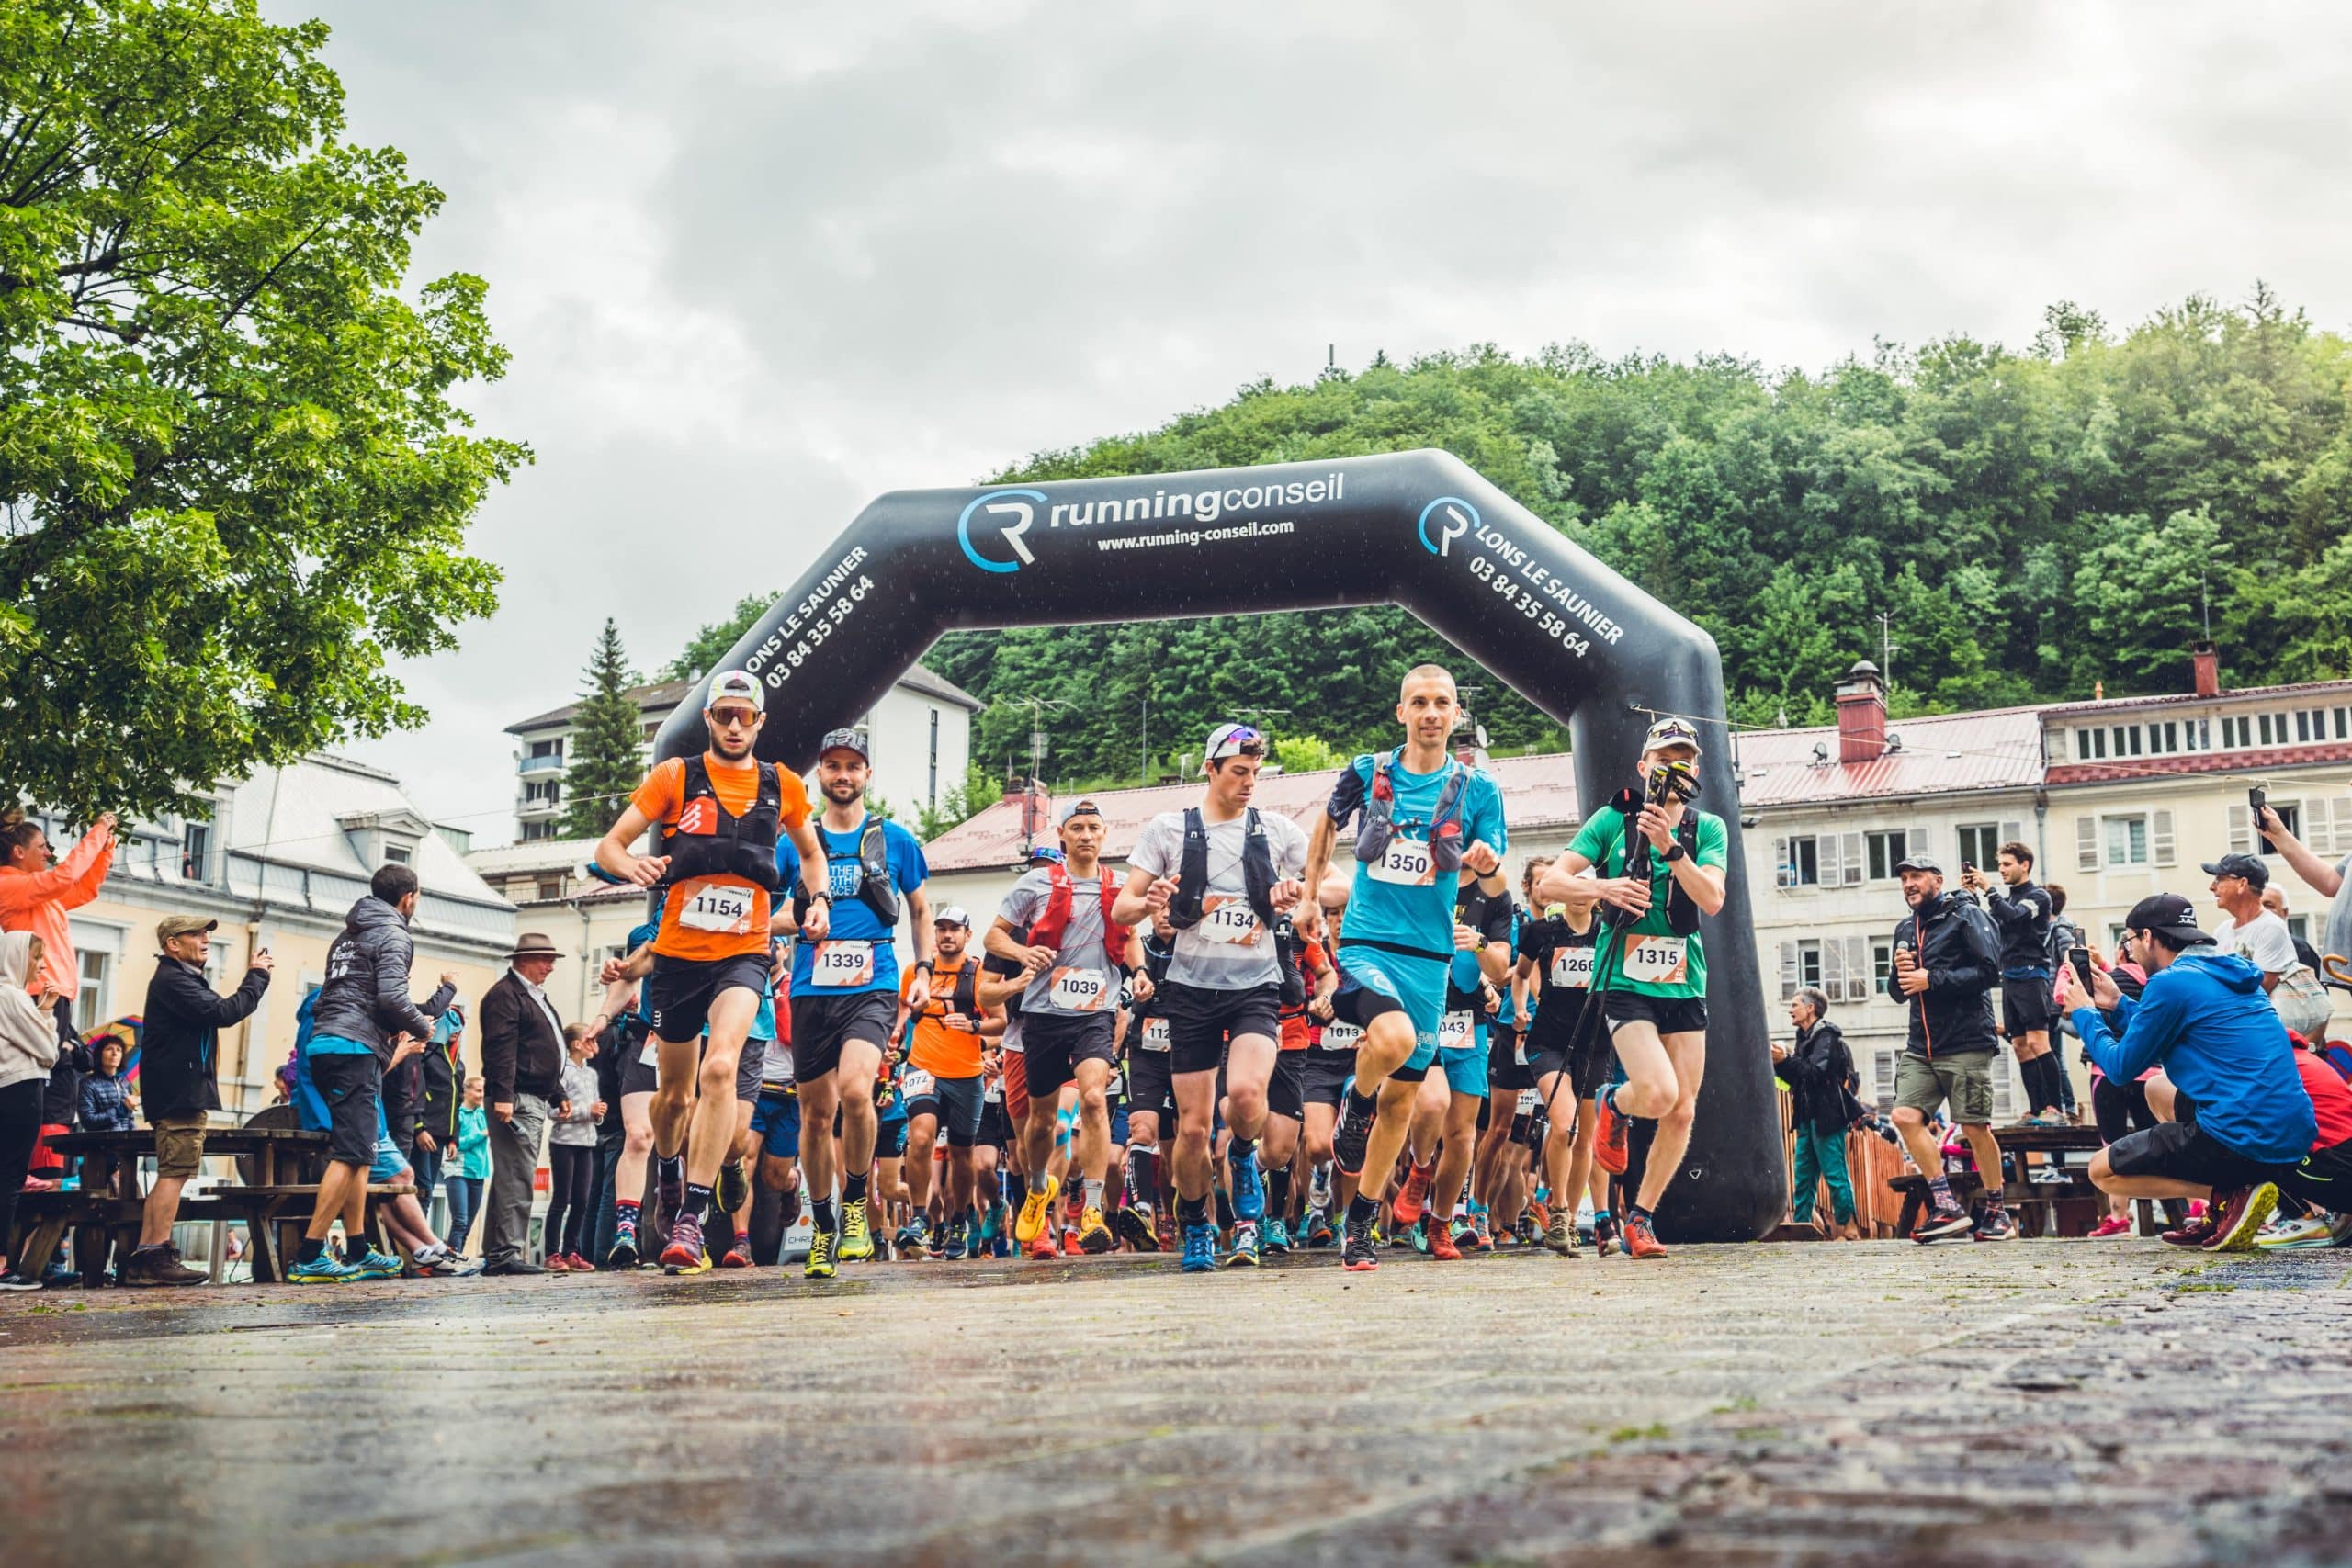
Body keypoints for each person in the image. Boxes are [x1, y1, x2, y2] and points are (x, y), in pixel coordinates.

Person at [595, 671, 831, 1276]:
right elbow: (608, 847)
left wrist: (820, 899)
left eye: (743, 716)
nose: (733, 725)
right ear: (708, 719)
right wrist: (634, 865)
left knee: (722, 1066)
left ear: (759, 722)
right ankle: (670, 1173)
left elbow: (809, 853)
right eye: (722, 715)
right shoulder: (676, 776)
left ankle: (690, 1219)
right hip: (676, 956)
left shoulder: (781, 785)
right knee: (673, 1097)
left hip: (743, 952)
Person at [1303, 671, 1508, 1274]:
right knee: (1387, 1043)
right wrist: (1312, 894)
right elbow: (1327, 822)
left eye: (1442, 703)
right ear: (1401, 711)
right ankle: (1354, 1102)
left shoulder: (1477, 789)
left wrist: (1487, 862)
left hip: (1431, 961)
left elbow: (1494, 878)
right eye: (1419, 702)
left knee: (1405, 1100)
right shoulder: (1368, 771)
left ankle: (1361, 1219)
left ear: (1455, 713)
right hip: (1368, 945)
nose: (1431, 712)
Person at [1118, 726, 1313, 1270]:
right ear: (1210, 768)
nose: (1249, 783)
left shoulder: (1275, 830)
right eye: (1238, 772)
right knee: (1196, 1128)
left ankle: (1245, 1154)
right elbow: (1123, 910)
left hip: (1256, 985)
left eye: (1255, 773)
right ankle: (1198, 1223)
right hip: (1191, 991)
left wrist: (1298, 889)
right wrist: (1150, 898)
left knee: (1249, 1096)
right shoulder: (1168, 829)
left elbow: (1337, 884)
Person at [1537, 715, 1728, 1261]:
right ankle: (1616, 1105)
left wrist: (1670, 847)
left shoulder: (1704, 829)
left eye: (1684, 758)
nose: (1674, 766)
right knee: (1659, 1092)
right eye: (1664, 758)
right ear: (1644, 767)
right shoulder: (1612, 820)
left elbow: (1711, 899)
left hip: (1684, 981)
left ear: (1695, 770)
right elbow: (1551, 883)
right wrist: (1603, 886)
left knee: (1683, 1111)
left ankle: (1640, 1218)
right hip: (1624, 978)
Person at [2076, 892, 2315, 1252]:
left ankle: (2229, 1193)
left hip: (2238, 1138)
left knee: (2101, 1171)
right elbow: (2168, 1029)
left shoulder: (2168, 983)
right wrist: (2117, 1003)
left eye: (2128, 940)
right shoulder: (2225, 972)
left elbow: (2121, 1067)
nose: (2130, 951)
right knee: (2157, 1088)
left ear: (2147, 937)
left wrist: (2085, 1014)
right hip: (2290, 1132)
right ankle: (2228, 1203)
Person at [774, 725, 929, 1279]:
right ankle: (823, 1226)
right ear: (820, 772)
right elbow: (767, 915)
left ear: (867, 774)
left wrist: (925, 969)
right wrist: (802, 920)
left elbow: (919, 910)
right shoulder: (795, 841)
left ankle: (858, 1205)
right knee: (815, 1116)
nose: (843, 775)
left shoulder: (895, 840)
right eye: (833, 766)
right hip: (811, 987)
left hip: (875, 978)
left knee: (858, 1092)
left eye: (853, 766)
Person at [292, 864, 457, 1283]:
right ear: (409, 898)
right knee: (350, 1154)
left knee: (361, 1149)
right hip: (354, 1046)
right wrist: (424, 1028)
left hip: (332, 1042)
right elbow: (391, 997)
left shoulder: (347, 935)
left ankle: (359, 1247)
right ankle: (310, 1253)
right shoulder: (395, 933)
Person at [992, 800, 1136, 1260]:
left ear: (1105, 833)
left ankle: (1091, 1209)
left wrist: (1142, 972)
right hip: (1042, 1015)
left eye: (1094, 827)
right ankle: (1037, 1188)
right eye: (1078, 828)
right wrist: (1021, 954)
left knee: (1094, 1098)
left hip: (1095, 1012)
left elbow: (1130, 940)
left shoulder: (1118, 885)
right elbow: (994, 936)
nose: (1087, 836)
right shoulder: (1034, 883)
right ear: (1063, 834)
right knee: (1041, 1124)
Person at [122, 915, 272, 1287]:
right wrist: (257, 976)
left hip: (179, 1090)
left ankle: (152, 1255)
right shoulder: (174, 980)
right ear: (173, 943)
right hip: (179, 1092)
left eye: (207, 933)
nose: (205, 939)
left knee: (176, 1171)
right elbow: (224, 1012)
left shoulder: (181, 979)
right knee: (174, 1173)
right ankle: (152, 1255)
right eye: (197, 933)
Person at [1880, 853, 2011, 1243]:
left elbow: (1991, 972)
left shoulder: (1965, 915)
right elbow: (1897, 992)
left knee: (1973, 1126)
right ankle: (1946, 1205)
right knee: (1903, 1117)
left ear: (1937, 880)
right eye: (1903, 879)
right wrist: (1899, 972)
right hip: (1921, 1045)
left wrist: (1931, 978)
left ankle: (1997, 1211)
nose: (1908, 884)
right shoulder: (1906, 927)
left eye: (1916, 876)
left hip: (1966, 1040)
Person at [894, 906, 1001, 1258]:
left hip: (967, 1075)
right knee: (920, 1135)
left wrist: (974, 1028)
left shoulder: (981, 974)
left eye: (955, 928)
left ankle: (959, 1219)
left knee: (961, 1153)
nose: (946, 935)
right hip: (923, 1068)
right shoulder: (916, 972)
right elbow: (901, 1017)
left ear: (968, 935)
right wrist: (892, 1044)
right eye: (941, 929)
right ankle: (921, 1217)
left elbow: (1002, 1023)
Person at [478, 931, 571, 1276]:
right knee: (517, 1176)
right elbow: (502, 1048)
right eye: (544, 959)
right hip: (516, 1097)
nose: (550, 966)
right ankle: (506, 1252)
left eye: (552, 959)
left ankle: (499, 1252)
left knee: (511, 1175)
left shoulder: (529, 996)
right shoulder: (508, 996)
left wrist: (557, 1091)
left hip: (526, 1094)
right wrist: (503, 1095)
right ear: (522, 960)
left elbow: (541, 1051)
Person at [1515, 881, 1599, 1257]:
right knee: (1564, 1124)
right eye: (1572, 885)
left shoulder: (1610, 933)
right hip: (1548, 1041)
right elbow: (1519, 974)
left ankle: (1575, 1216)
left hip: (1595, 1045)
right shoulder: (1540, 932)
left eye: (1588, 885)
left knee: (1585, 1137)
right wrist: (1522, 1006)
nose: (1580, 892)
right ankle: (1560, 1210)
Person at [1963, 842, 2064, 1124]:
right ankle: (2036, 1109)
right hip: (2009, 977)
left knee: (2037, 1041)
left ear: (2025, 865)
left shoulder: (2039, 896)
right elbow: (1989, 925)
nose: (2001, 870)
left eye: (2007, 864)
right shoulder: (2006, 900)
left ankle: (2055, 1108)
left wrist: (1989, 889)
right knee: (2019, 1044)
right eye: (2000, 865)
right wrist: (1971, 896)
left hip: (2033, 974)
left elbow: (2014, 917)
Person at [0, 813, 117, 1045]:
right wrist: (98, 831)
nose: (48, 853)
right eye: (41, 847)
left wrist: (105, 848)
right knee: (41, 1071)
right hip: (38, 991)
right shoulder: (9, 884)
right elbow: (66, 877)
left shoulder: (35, 889)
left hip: (53, 990)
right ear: (19, 852)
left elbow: (84, 890)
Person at [1771, 987, 1860, 1238]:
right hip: (1807, 1116)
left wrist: (1787, 1060)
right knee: (1804, 1175)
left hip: (1827, 1116)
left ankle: (1850, 1228)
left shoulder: (1827, 1036)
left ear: (1810, 1008)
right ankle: (1801, 1227)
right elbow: (1797, 1078)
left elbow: (1816, 1072)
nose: (1790, 1009)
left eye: (1795, 1004)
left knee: (1834, 1172)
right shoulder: (1804, 1037)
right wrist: (1782, 1064)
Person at [0, 932, 62, 1290]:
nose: (41, 964)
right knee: (9, 1178)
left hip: (9, 1086)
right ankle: (2, 1267)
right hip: (21, 1089)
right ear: (18, 957)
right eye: (37, 957)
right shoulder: (11, 995)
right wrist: (44, 1015)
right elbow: (48, 1051)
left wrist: (45, 1011)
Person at [543, 1022, 603, 1271]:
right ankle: (551, 1254)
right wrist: (584, 1111)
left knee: (582, 1199)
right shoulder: (562, 1072)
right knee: (561, 1198)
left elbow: (595, 1107)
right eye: (591, 1041)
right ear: (577, 1044)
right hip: (564, 1143)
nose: (596, 1047)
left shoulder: (591, 1074)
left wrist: (598, 1114)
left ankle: (571, 1251)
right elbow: (553, 1110)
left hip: (586, 1143)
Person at [2203, 852, 2296, 992]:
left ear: (2242, 884)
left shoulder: (2271, 928)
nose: (2212, 887)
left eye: (2219, 879)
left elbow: (2260, 989)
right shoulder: (2222, 930)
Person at [447, 1076, 490, 1254]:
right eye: (478, 1090)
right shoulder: (458, 1114)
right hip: (458, 1171)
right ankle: (451, 1259)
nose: (482, 1095)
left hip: (478, 1173)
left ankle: (458, 1258)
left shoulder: (483, 1115)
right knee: (460, 1221)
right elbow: (457, 1143)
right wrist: (482, 1134)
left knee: (468, 1226)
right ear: (466, 1092)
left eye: (483, 1091)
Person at [2260, 885, 2325, 976]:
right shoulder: (2243, 945)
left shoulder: (2299, 948)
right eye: (2257, 905)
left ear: (2285, 912)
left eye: (2268, 906)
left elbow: (2316, 988)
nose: (2262, 910)